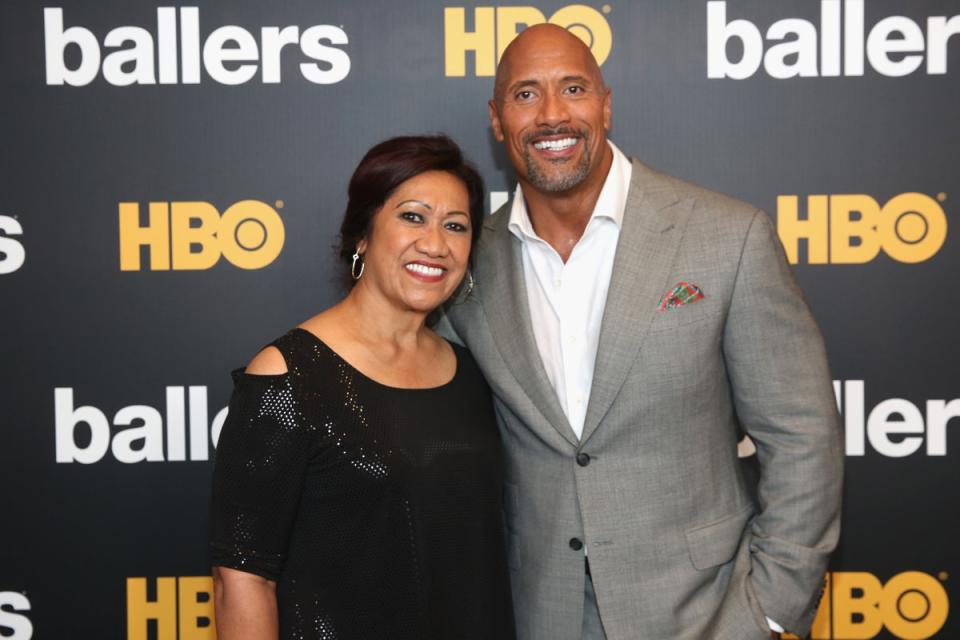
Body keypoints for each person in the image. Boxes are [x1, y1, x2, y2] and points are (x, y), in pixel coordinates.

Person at [440, 24, 843, 640]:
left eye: (572, 88)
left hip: (706, 614)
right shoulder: (466, 262)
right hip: (534, 613)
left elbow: (802, 434)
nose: (552, 115)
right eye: (526, 94)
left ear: (606, 102)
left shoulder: (728, 236)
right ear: (497, 120)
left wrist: (771, 607)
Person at [209, 135, 516, 640]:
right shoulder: (288, 376)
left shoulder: (471, 374)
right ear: (362, 235)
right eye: (412, 217)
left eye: (456, 226)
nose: (436, 244)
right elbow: (241, 579)